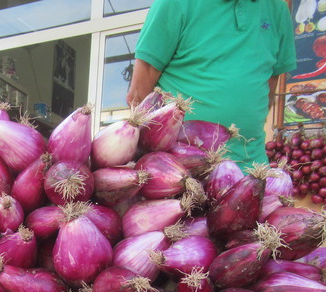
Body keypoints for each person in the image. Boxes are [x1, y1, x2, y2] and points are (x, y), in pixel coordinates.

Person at [126, 0, 297, 171]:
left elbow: (268, 89)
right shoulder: (174, 3)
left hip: (251, 170)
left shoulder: (277, 9)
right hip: (178, 171)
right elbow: (139, 96)